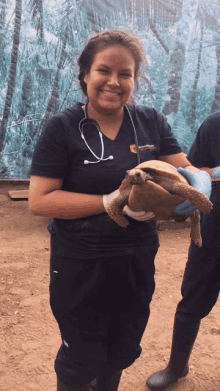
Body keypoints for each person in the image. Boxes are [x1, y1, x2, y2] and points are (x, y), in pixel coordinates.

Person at [28, 30, 211, 391]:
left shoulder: (149, 122)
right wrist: (110, 200)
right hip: (80, 262)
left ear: (134, 79)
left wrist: (195, 189)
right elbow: (40, 200)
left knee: (120, 348)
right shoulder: (62, 128)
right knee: (80, 359)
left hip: (136, 259)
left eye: (125, 74)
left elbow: (185, 170)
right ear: (85, 74)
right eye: (103, 70)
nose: (114, 82)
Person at [146, 111, 220, 391]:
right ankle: (176, 367)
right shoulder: (214, 124)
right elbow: (194, 172)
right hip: (213, 233)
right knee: (191, 303)